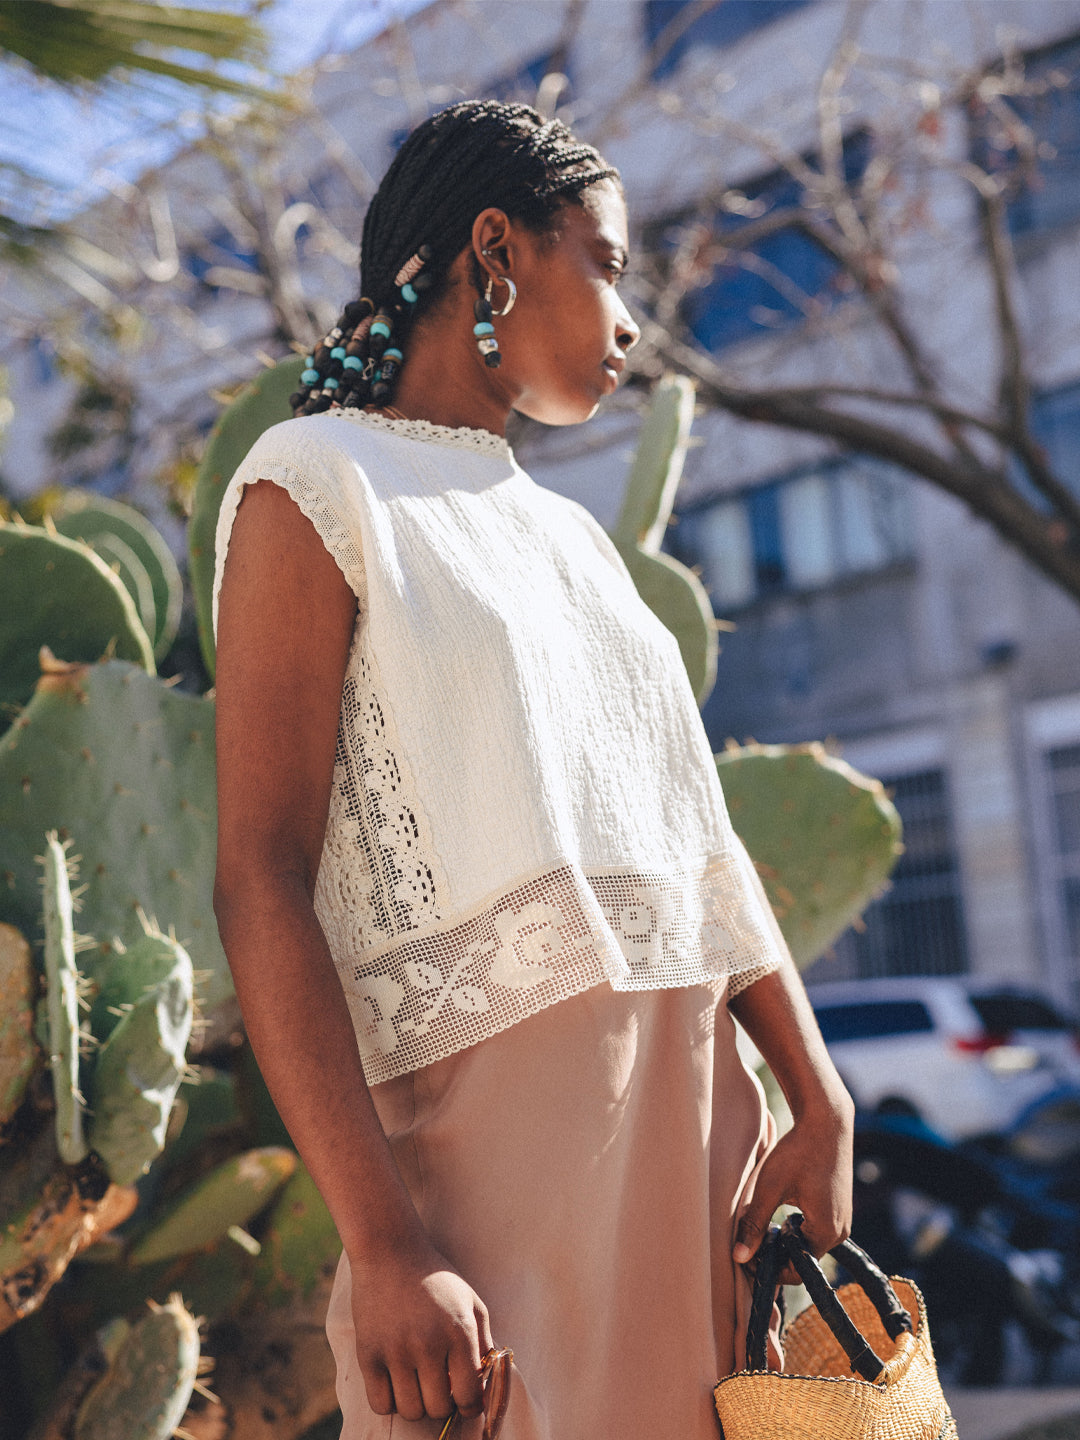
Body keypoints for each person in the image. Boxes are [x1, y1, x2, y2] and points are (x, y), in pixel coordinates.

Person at [212, 100, 854, 1440]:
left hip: (698, 1128)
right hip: (482, 1166)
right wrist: (383, 1244)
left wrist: (817, 1087)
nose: (630, 324)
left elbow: (699, 838)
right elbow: (259, 872)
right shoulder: (314, 481)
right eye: (609, 265)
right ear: (494, 250)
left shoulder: (572, 538)